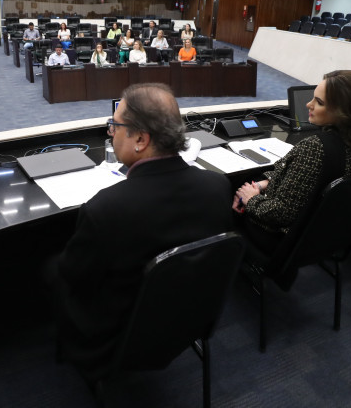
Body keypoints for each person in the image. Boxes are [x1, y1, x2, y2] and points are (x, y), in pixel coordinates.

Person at [52, 83, 233, 382]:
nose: (110, 132)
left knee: (52, 270)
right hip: (190, 319)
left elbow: (73, 275)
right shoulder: (218, 186)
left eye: (115, 125)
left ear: (140, 139)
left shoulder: (105, 209)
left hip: (120, 337)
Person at [232, 70, 351, 275]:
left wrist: (250, 199)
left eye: (319, 102)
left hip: (278, 240)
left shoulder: (314, 148)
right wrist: (262, 184)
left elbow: (280, 214)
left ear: (343, 112)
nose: (308, 105)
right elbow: (305, 182)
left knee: (223, 191)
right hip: (319, 240)